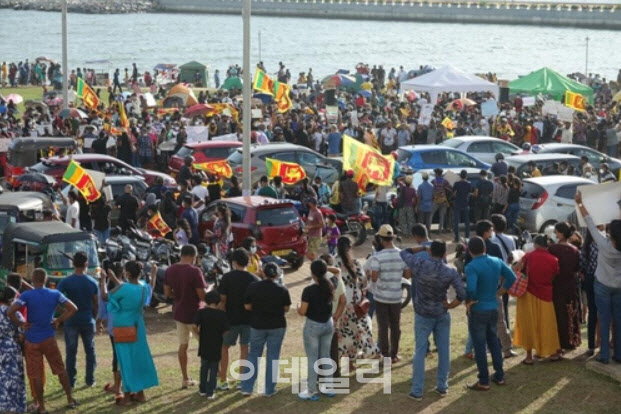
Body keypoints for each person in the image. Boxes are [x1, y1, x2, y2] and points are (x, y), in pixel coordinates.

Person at [401, 241, 465, 401]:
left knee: (420, 351)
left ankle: (417, 390)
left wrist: (422, 247)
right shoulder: (449, 270)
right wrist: (451, 305)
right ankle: (442, 386)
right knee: (444, 349)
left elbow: (404, 252)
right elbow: (462, 293)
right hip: (441, 312)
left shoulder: (420, 263)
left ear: (430, 252)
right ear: (444, 254)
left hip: (422, 313)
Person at [8, 268, 78, 414]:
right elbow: (73, 308)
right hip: (49, 338)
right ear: (45, 280)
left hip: (32, 339)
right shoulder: (54, 293)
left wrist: (22, 324)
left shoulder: (27, 295)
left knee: (36, 375)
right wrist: (58, 320)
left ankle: (42, 407)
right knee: (60, 370)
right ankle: (70, 399)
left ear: (32, 279)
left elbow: (10, 311)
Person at [464, 236, 516, 391]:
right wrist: (500, 292)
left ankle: (483, 380)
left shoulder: (471, 266)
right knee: (493, 341)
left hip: (478, 309)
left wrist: (470, 301)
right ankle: (499, 375)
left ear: (470, 251)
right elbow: (511, 277)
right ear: (485, 248)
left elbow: (472, 289)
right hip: (493, 306)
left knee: (480, 345)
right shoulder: (496, 261)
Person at [575, 191, 621, 364]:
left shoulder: (604, 243)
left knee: (603, 318)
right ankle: (618, 353)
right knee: (618, 320)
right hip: (619, 287)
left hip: (602, 284)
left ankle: (603, 355)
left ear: (613, 235)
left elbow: (590, 223)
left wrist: (580, 203)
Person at [108, 261, 159, 405]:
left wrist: (105, 280)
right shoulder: (143, 287)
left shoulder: (124, 287)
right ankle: (140, 393)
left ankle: (127, 396)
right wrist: (154, 273)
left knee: (125, 360)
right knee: (137, 358)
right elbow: (150, 288)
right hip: (138, 325)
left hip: (124, 325)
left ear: (128, 273)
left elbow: (108, 296)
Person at [241, 263, 291, 397]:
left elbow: (247, 306)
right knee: (273, 356)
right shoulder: (282, 289)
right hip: (277, 325)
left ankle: (247, 387)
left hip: (257, 324)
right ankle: (269, 389)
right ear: (276, 274)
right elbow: (286, 308)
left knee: (254, 355)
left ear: (263, 273)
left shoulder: (253, 287)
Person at [164, 245, 207, 388]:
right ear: (193, 256)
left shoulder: (170, 270)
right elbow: (202, 295)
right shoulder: (195, 271)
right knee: (206, 345)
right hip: (195, 313)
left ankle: (185, 378)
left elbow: (167, 293)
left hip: (179, 312)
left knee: (183, 345)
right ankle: (215, 373)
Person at [513, 236, 562, 364]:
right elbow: (554, 275)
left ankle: (529, 356)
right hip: (545, 294)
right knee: (547, 324)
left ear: (535, 244)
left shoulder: (528, 256)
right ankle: (552, 353)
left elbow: (516, 269)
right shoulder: (554, 259)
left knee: (528, 324)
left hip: (528, 294)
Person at [217, 248, 260, 390]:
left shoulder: (227, 278)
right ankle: (243, 380)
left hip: (230, 319)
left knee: (224, 347)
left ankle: (223, 379)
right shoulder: (254, 279)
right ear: (248, 261)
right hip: (249, 319)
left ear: (234, 262)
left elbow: (222, 301)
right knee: (245, 348)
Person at [56, 252, 99, 388]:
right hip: (87, 319)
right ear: (86, 264)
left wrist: (63, 312)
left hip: (71, 320)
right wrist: (95, 318)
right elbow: (96, 303)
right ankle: (90, 380)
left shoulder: (66, 281)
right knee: (90, 351)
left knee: (71, 352)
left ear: (73, 264)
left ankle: (70, 381)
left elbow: (56, 298)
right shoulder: (92, 282)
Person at [370, 225, 411, 363]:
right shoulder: (402, 254)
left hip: (381, 297)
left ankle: (385, 355)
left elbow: (374, 277)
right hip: (396, 296)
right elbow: (407, 274)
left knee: (383, 327)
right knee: (395, 326)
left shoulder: (377, 256)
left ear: (381, 239)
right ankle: (394, 354)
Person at [297, 259, 336, 401]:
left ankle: (312, 390)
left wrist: (297, 307)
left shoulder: (309, 290)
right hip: (328, 324)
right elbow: (337, 272)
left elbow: (302, 311)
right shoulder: (331, 285)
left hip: (313, 326)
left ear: (312, 273)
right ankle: (329, 387)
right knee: (326, 356)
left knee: (313, 358)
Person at [335, 238, 377, 366]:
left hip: (342, 300)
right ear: (349, 247)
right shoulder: (355, 262)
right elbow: (364, 281)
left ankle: (347, 359)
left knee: (345, 331)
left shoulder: (334, 261)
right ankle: (370, 351)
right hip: (356, 299)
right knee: (362, 328)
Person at [548, 222, 582, 353]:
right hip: (570, 284)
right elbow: (577, 268)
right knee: (571, 312)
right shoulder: (575, 250)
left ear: (561, 234)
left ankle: (560, 342)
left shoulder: (553, 249)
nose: (555, 234)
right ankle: (572, 339)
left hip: (557, 285)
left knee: (559, 313)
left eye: (556, 232)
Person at [195, 290, 229, 400]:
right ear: (218, 302)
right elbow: (226, 330)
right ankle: (211, 391)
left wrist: (199, 334)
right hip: (216, 343)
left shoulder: (201, 312)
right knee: (214, 368)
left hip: (204, 343)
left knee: (204, 367)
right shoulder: (222, 314)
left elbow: (194, 326)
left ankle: (202, 389)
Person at [0, 286, 27, 414]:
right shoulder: (15, 314)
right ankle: (13, 407)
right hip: (11, 348)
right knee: (13, 378)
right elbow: (22, 335)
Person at [580, 229, 600, 356]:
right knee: (605, 312)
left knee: (592, 313)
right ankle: (604, 341)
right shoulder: (600, 245)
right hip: (601, 278)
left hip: (588, 278)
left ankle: (591, 345)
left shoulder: (585, 247)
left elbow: (581, 266)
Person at [452, 169, 472, 242]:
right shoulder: (469, 184)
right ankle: (467, 237)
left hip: (457, 203)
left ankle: (457, 238)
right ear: (466, 176)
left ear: (460, 176)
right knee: (467, 222)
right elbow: (469, 193)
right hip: (465, 203)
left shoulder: (456, 183)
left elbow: (453, 194)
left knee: (456, 222)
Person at [431, 169, 452, 233]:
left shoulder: (433, 181)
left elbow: (431, 190)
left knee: (431, 214)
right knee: (442, 216)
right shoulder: (445, 181)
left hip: (436, 200)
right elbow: (450, 189)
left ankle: (428, 229)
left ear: (437, 173)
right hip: (443, 200)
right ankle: (440, 230)